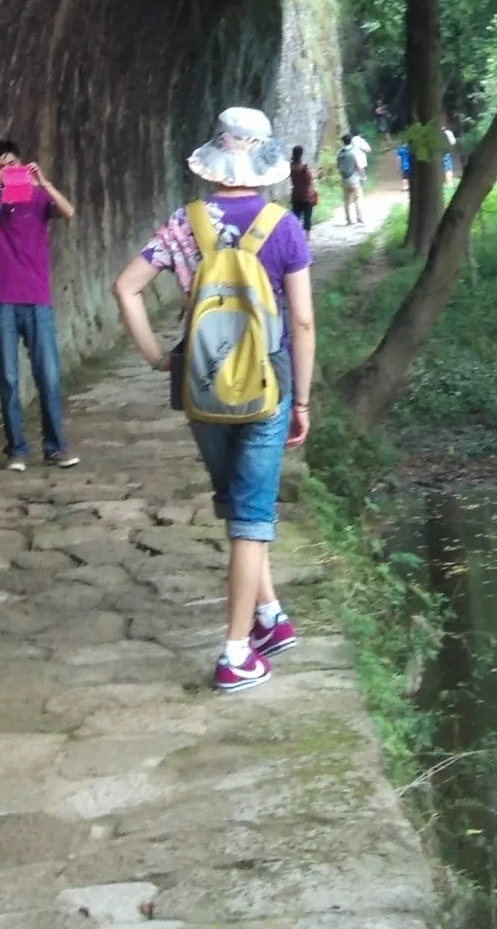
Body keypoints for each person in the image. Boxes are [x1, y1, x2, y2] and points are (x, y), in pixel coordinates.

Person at [112, 106, 315, 693]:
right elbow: (301, 322)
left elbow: (126, 289)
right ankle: (234, 653)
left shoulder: (185, 222)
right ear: (263, 160)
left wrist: (160, 359)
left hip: (200, 382)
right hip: (266, 383)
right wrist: (301, 400)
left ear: (217, 159)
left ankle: (271, 619)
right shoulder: (283, 226)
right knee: (252, 516)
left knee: (239, 503)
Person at [0, 136, 80, 472]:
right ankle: (17, 449)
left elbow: (68, 211)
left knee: (49, 375)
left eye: (12, 164)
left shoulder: (39, 198)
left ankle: (55, 447)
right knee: (8, 377)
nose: (7, 171)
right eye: (0, 167)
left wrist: (44, 182)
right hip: (1, 299)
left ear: (22, 164)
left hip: (37, 299)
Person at [336, 127, 366, 226]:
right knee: (358, 199)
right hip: (354, 179)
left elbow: (338, 166)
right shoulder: (354, 151)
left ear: (343, 142)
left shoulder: (340, 153)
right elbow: (358, 166)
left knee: (346, 201)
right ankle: (360, 218)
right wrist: (362, 177)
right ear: (351, 140)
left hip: (344, 180)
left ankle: (348, 220)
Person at [288, 143, 318, 234]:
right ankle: (307, 235)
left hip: (296, 194)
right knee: (307, 216)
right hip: (306, 195)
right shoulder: (304, 168)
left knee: (296, 216)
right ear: (301, 154)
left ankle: (296, 233)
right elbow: (309, 179)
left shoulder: (290, 167)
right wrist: (317, 174)